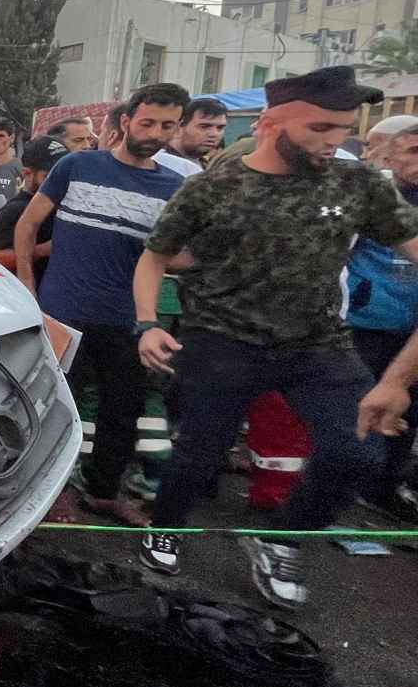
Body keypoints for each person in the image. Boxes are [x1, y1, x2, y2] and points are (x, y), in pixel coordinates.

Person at [133, 67, 418, 609]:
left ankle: (281, 537)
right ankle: (166, 524)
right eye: (321, 128)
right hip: (222, 340)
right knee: (199, 453)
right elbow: (154, 255)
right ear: (270, 123)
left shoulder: (357, 185)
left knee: (360, 452)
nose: (337, 142)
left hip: (318, 345)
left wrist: (398, 379)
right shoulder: (214, 185)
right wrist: (148, 324)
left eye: (345, 129)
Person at [16, 83, 190, 526]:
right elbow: (28, 224)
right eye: (147, 121)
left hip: (127, 319)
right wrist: (26, 284)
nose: (155, 132)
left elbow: (177, 256)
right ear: (126, 122)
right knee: (52, 406)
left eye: (167, 125)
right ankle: (48, 495)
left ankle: (102, 492)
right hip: (62, 313)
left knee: (123, 409)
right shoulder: (77, 165)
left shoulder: (176, 187)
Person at [341, 118, 418, 521]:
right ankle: (338, 484)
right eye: (413, 152)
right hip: (364, 322)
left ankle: (383, 487)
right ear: (389, 154)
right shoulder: (368, 199)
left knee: (407, 415)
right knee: (354, 408)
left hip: (412, 331)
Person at [0, 137, 70, 281]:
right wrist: (43, 250)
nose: (59, 181)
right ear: (27, 173)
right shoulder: (15, 210)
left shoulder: (65, 203)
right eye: (49, 176)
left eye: (64, 174)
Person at [154, 98, 227, 177]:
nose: (214, 134)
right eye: (204, 126)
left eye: (220, 128)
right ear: (179, 126)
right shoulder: (158, 163)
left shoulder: (211, 167)